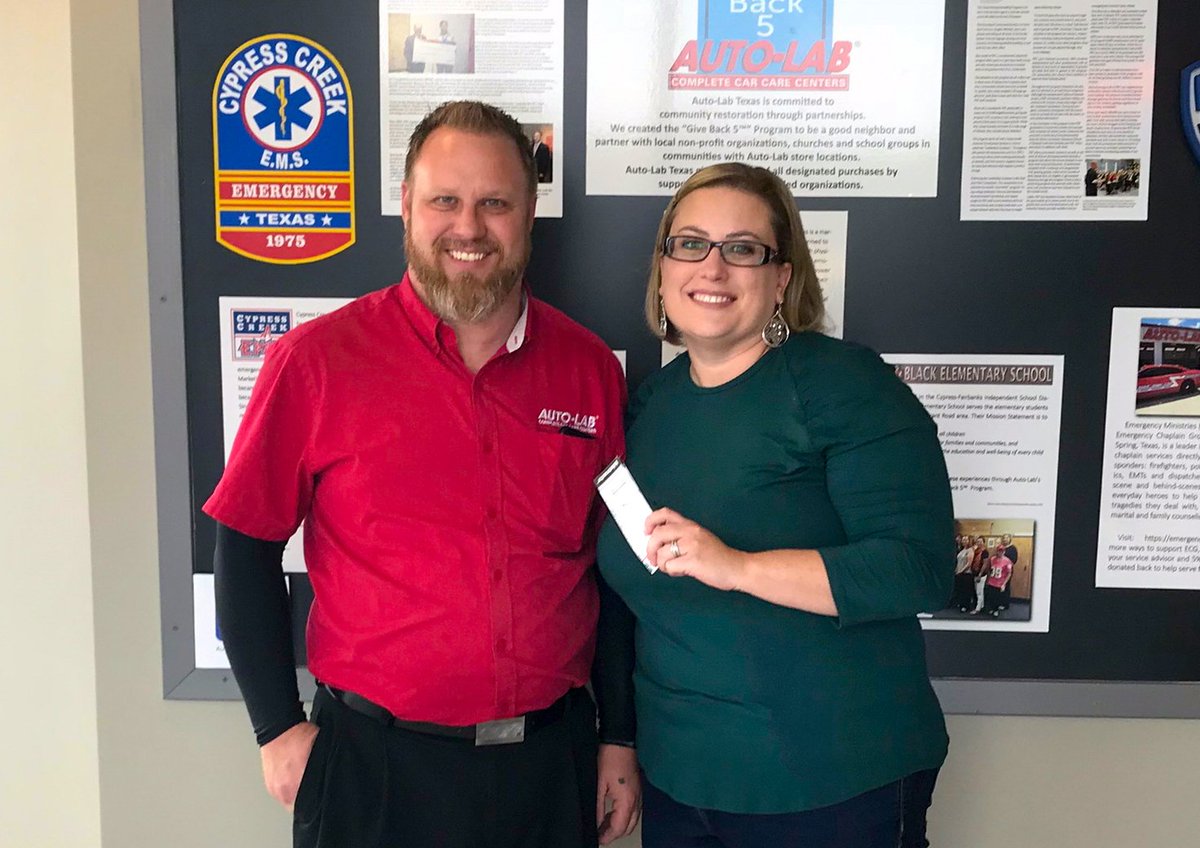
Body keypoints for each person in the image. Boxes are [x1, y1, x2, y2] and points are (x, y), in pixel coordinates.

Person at [205, 100, 640, 848]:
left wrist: (620, 737)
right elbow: (242, 547)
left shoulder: (589, 370)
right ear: (406, 207)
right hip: (374, 772)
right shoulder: (314, 362)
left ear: (530, 214)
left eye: (495, 203)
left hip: (548, 767)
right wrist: (275, 727)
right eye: (445, 200)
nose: (468, 227)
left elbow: (614, 568)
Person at [595, 162, 954, 848]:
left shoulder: (842, 384)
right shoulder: (648, 407)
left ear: (782, 277)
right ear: (664, 267)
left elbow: (919, 569)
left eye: (744, 249)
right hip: (679, 782)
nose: (714, 267)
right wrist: (619, 741)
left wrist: (738, 566)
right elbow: (624, 593)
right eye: (691, 243)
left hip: (833, 784)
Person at [981, 544, 1014, 617]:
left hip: (999, 583)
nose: (1000, 552)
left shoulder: (1007, 561)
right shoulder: (993, 559)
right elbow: (989, 569)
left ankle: (996, 610)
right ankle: (992, 608)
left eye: (1002, 551)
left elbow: (1009, 573)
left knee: (997, 598)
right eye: (999, 551)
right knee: (991, 596)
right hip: (991, 581)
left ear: (1004, 552)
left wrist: (1004, 584)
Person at [953, 534, 977, 613]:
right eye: (963, 540)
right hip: (959, 573)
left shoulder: (970, 550)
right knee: (960, 590)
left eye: (966, 540)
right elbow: (958, 562)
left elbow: (969, 564)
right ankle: (961, 603)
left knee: (966, 591)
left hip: (966, 574)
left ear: (969, 541)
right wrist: (956, 570)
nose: (964, 541)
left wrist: (961, 571)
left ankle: (965, 606)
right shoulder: (962, 550)